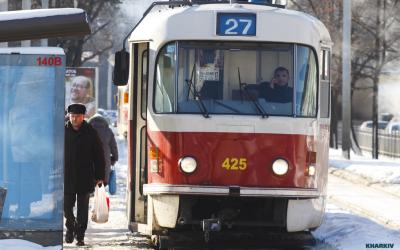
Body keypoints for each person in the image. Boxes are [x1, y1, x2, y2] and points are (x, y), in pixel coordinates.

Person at [64, 103, 105, 246]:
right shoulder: (62, 131)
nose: (74, 119)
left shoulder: (90, 132)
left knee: (82, 209)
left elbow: (99, 156)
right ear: (68, 116)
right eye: (72, 116)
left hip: (85, 176)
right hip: (66, 176)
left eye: (77, 116)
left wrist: (100, 176)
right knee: (66, 207)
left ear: (83, 117)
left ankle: (80, 235)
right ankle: (70, 227)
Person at [88, 114, 118, 186]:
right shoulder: (108, 131)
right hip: (104, 162)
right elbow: (113, 146)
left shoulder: (87, 130)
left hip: (89, 161)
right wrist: (115, 158)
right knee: (101, 185)